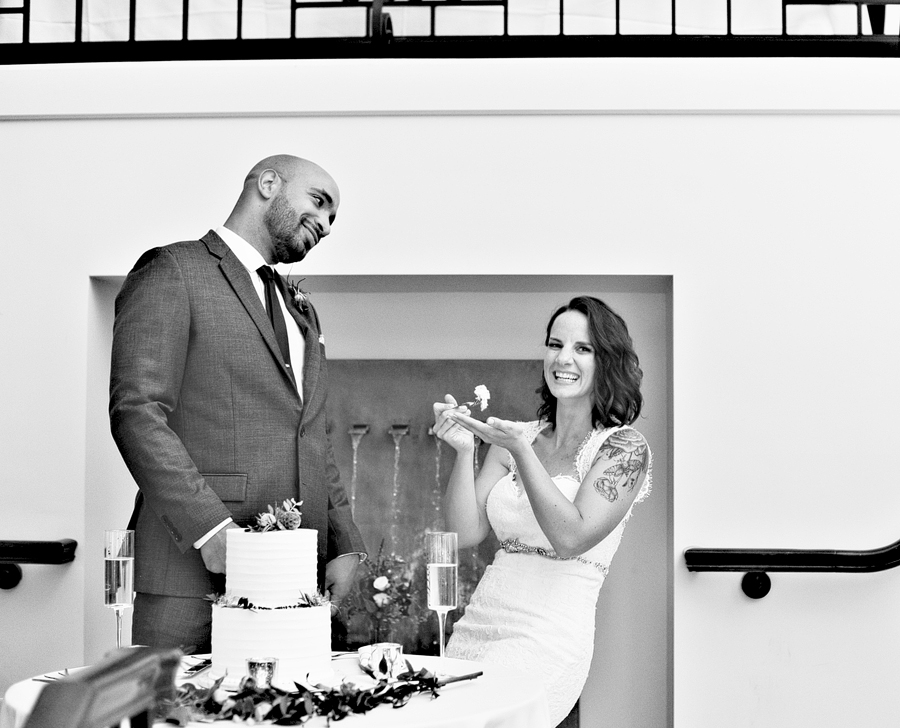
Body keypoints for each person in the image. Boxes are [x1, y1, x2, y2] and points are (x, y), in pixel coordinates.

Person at [109, 154, 366, 652]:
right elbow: (137, 412)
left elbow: (312, 435)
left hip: (294, 578)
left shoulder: (301, 311)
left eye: (334, 218)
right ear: (268, 184)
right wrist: (211, 531)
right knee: (171, 717)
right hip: (188, 574)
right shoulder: (174, 270)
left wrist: (343, 540)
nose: (328, 225)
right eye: (319, 202)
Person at [431, 295, 652, 726]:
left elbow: (571, 539)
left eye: (582, 349)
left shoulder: (624, 448)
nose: (563, 358)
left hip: (550, 636)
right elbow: (465, 531)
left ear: (607, 361)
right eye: (555, 344)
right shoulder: (517, 437)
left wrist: (519, 451)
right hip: (482, 621)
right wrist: (463, 452)